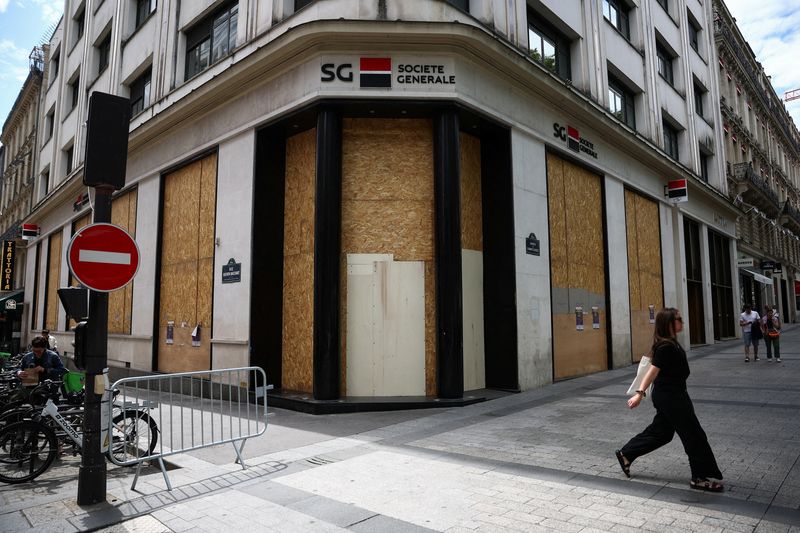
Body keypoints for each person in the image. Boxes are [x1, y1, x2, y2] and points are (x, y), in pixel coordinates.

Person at [615, 308, 724, 492]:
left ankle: (626, 453)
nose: (682, 321)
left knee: (662, 433)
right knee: (693, 434)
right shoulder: (666, 346)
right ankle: (699, 477)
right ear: (669, 324)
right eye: (679, 319)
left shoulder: (670, 343)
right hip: (672, 397)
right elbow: (653, 371)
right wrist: (639, 394)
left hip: (673, 395)